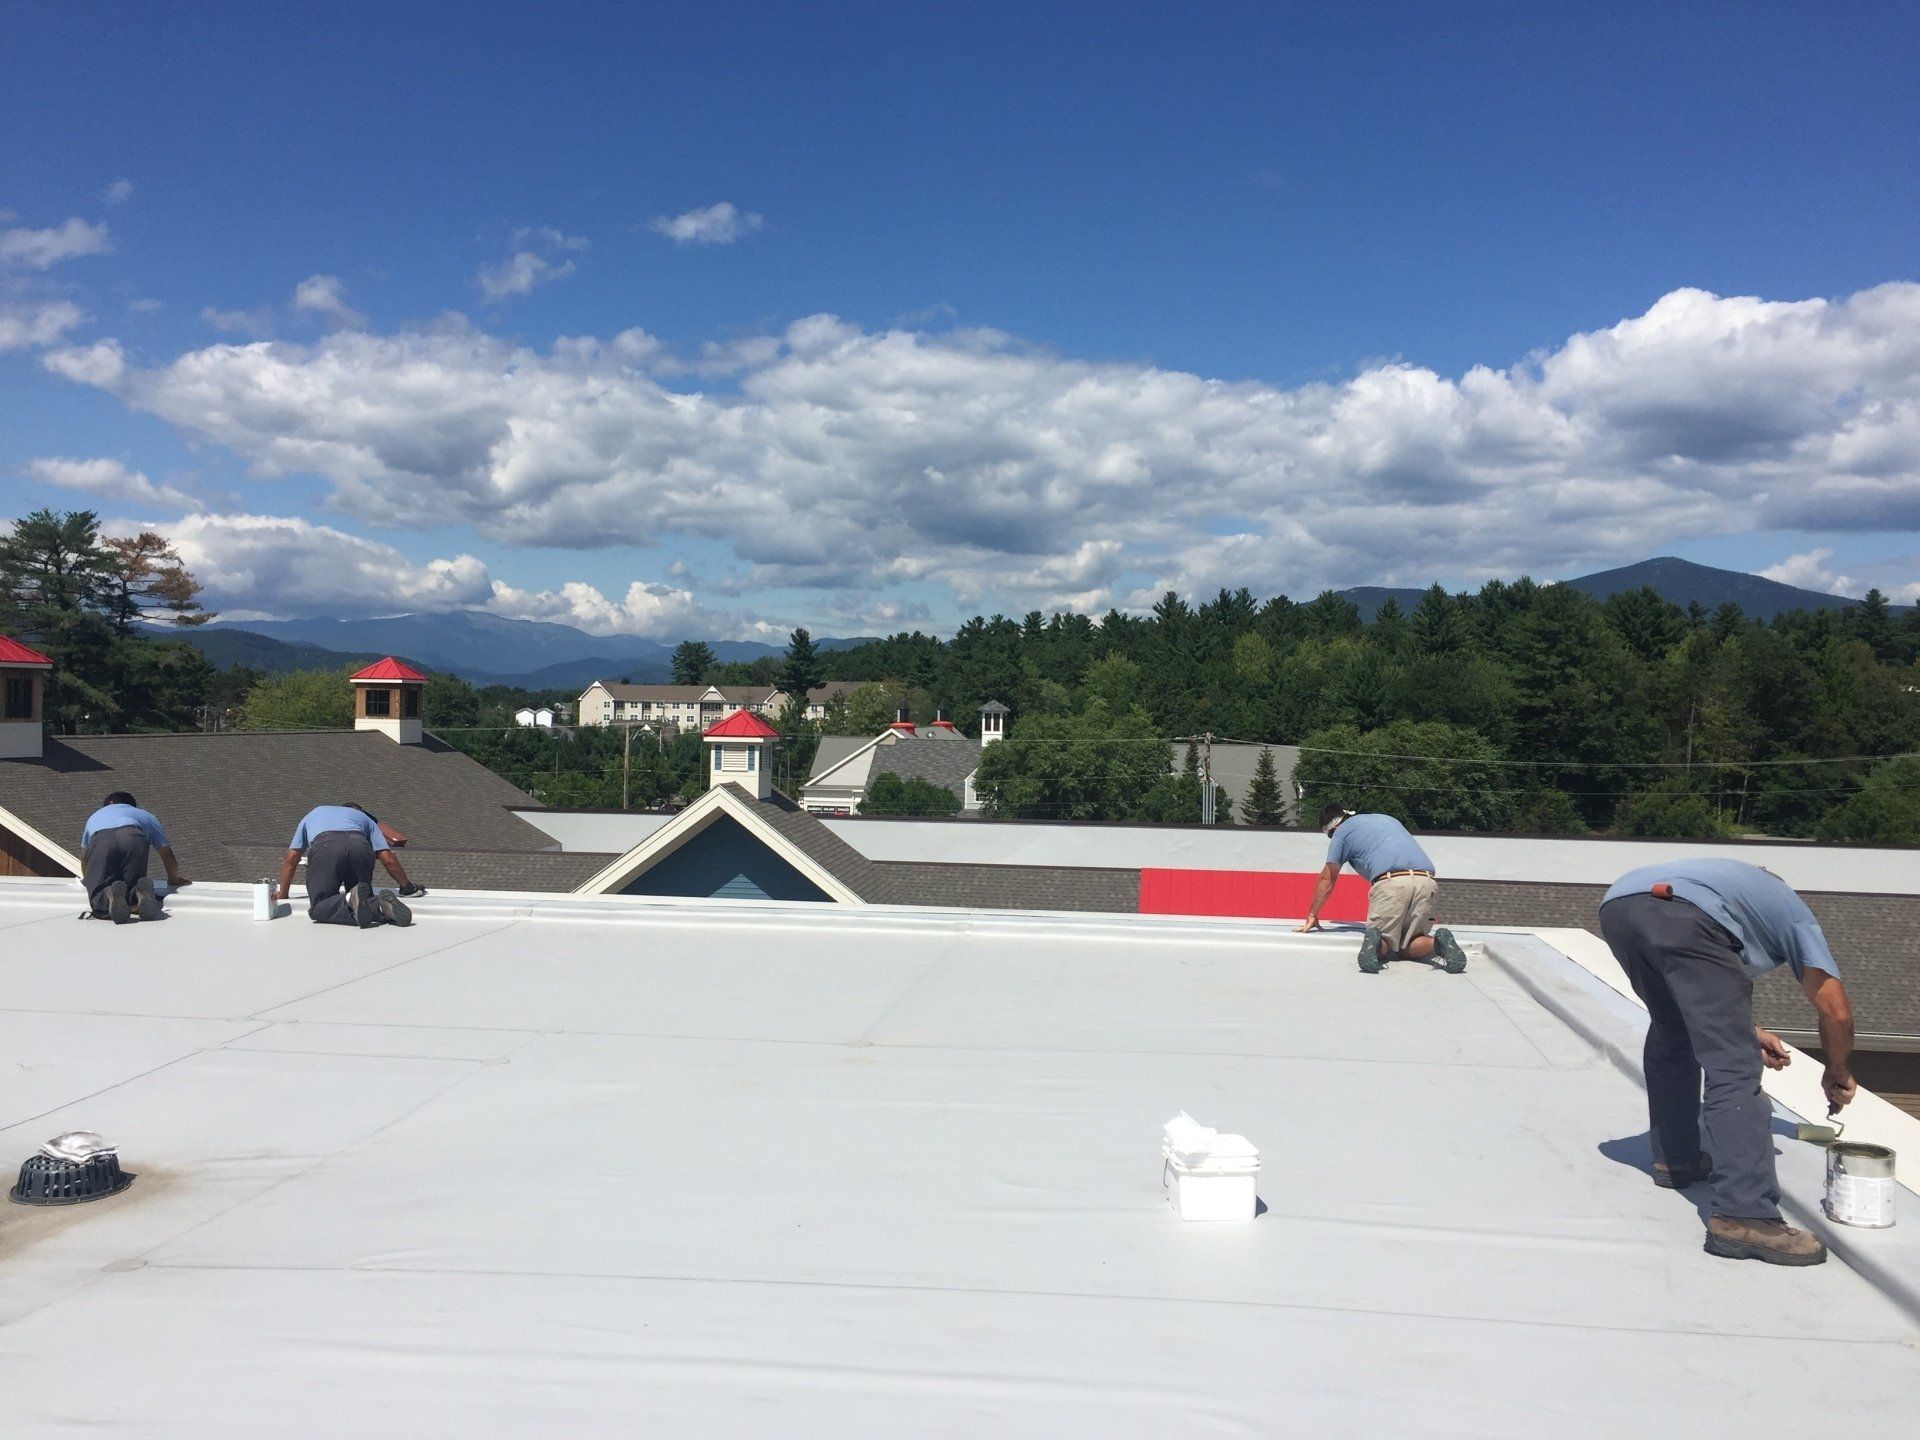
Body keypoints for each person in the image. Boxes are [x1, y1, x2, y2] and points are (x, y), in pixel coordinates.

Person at [1600, 859, 1855, 1267]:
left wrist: (1745, 1030)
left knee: (1671, 1031)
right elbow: (1835, 1010)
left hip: (1619, 908)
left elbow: (1693, 995)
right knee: (1733, 1070)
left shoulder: (1726, 887)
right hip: (1682, 914)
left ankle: (1676, 1157)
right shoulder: (1791, 911)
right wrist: (1838, 1070)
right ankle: (1745, 1215)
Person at [1294, 805, 1467, 974]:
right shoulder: (1387, 819)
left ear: (1334, 827)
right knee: (1408, 944)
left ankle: (1375, 942)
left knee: (1386, 943)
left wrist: (1312, 914)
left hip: (1391, 883)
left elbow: (1327, 878)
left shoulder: (1341, 831)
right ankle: (1438, 943)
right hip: (1427, 881)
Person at [276, 803, 424, 928]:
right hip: (360, 846)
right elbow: (388, 859)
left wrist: (282, 894)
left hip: (326, 846)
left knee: (319, 905)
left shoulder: (316, 812)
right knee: (363, 899)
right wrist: (407, 887)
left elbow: (291, 858)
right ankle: (380, 905)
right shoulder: (365, 818)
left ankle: (349, 898)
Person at [80, 791, 189, 923]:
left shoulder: (95, 816)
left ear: (108, 804)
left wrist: (88, 880)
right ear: (131, 805)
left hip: (101, 839)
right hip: (133, 836)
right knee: (132, 882)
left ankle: (107, 894)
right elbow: (166, 852)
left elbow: (85, 857)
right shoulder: (145, 815)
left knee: (98, 894)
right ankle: (139, 892)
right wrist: (174, 879)